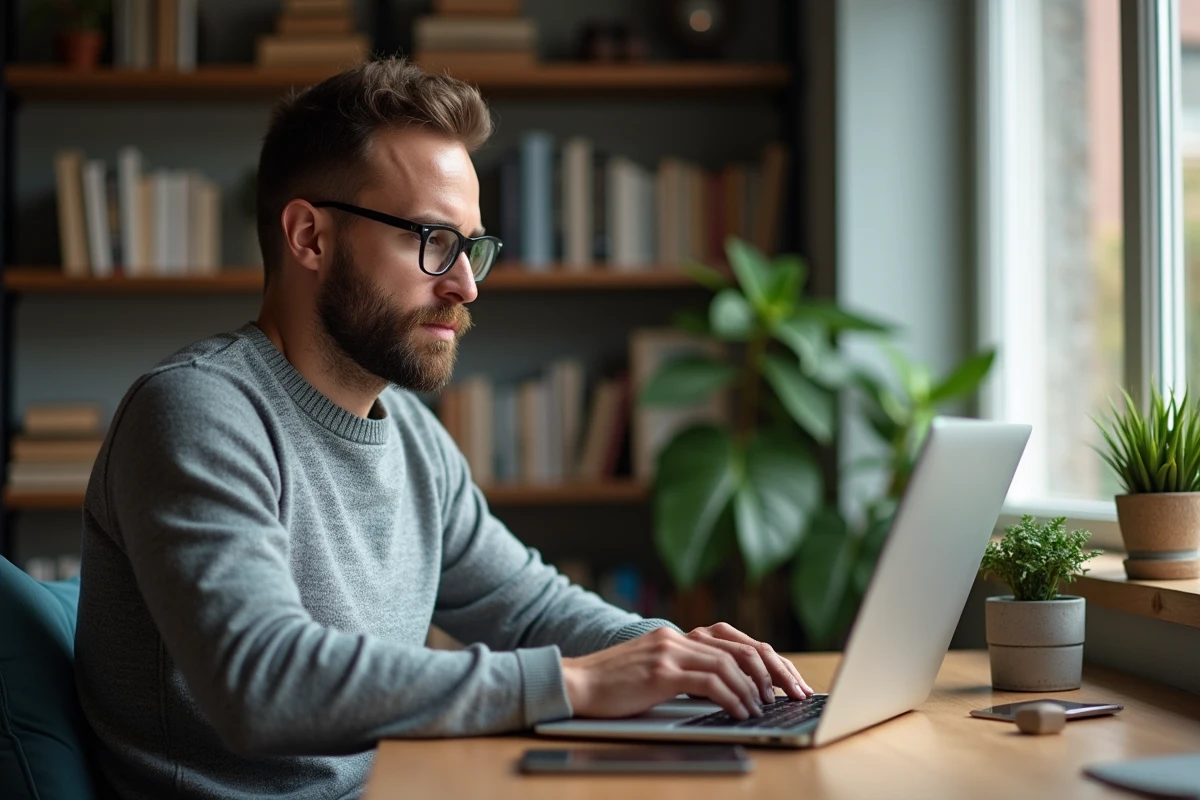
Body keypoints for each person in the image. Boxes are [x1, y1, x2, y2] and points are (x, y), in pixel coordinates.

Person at [74, 58, 813, 800]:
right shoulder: (198, 412)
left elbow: (527, 610)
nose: (465, 285)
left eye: (472, 247)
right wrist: (575, 684)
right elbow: (261, 684)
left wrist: (670, 655)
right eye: (431, 239)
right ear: (309, 238)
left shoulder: (414, 439)